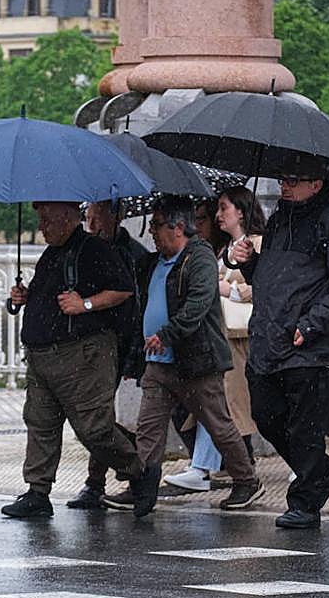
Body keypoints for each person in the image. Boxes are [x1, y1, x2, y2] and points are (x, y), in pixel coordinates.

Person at [103, 195, 264, 510]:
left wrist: (167, 334)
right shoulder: (154, 262)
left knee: (218, 424)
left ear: (177, 227)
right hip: (159, 363)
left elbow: (198, 304)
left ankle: (246, 480)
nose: (151, 232)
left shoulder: (199, 257)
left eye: (157, 225)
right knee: (149, 428)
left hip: (196, 360)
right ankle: (143, 488)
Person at [4, 201, 159, 519]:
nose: (41, 226)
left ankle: (139, 471)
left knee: (93, 428)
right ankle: (37, 491)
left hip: (82, 355)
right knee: (40, 423)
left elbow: (123, 290)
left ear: (67, 218)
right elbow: (49, 296)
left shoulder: (94, 249)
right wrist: (23, 298)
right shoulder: (52, 253)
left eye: (46, 219)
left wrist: (85, 305)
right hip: (42, 355)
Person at [230, 165, 329, 529]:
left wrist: (312, 323)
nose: (284, 185)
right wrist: (249, 263)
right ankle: (321, 474)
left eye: (293, 179)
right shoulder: (278, 221)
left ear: (316, 184)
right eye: (282, 179)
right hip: (270, 339)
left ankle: (305, 501)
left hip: (310, 345)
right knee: (266, 415)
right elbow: (271, 279)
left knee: (304, 427)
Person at [163, 186, 266, 493]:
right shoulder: (225, 250)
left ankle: (208, 467)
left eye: (224, 208)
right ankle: (205, 466)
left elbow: (260, 287)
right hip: (221, 335)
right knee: (217, 403)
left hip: (239, 338)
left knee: (226, 404)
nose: (219, 215)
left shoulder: (256, 244)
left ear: (241, 212)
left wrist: (226, 289)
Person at [65, 199, 150, 510]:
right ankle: (127, 461)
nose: (91, 225)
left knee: (95, 415)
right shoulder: (84, 251)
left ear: (116, 216)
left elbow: (136, 307)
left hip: (117, 342)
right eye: (88, 218)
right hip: (88, 341)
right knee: (92, 414)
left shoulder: (134, 255)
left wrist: (132, 355)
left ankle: (101, 479)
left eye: (96, 217)